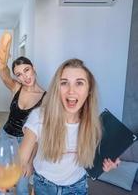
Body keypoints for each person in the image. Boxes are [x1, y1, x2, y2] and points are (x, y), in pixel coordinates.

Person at [19, 58, 120, 195]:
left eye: (79, 83)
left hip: (78, 187)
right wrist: (2, 173)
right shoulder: (39, 117)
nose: (71, 91)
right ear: (56, 89)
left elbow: (92, 158)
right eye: (64, 83)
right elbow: (20, 158)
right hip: (44, 186)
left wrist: (106, 163)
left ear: (89, 90)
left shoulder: (93, 124)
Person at [0, 32, 46, 195]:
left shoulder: (46, 98)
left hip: (26, 143)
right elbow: (5, 76)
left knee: (22, 187)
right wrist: (2, 64)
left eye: (27, 70)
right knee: (3, 185)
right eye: (19, 74)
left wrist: (29, 162)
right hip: (5, 137)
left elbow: (38, 134)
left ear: (33, 68)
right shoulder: (17, 87)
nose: (24, 76)